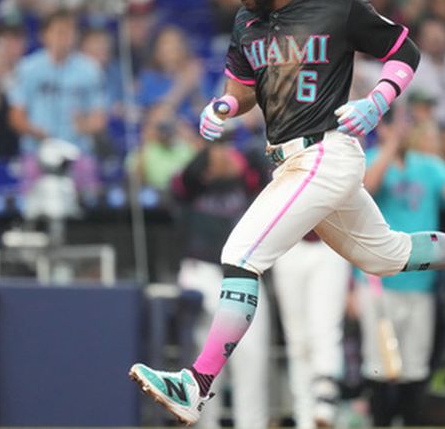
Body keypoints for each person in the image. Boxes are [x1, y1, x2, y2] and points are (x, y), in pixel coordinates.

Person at [129, 0, 445, 426]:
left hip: (326, 152)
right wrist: (222, 106)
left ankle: (195, 384)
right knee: (387, 256)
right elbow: (241, 89)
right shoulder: (246, 24)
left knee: (240, 253)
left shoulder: (335, 7)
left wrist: (379, 98)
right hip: (291, 159)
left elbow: (404, 51)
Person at [358, 114, 445, 426]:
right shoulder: (370, 158)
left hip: (420, 281)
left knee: (416, 367)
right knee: (378, 366)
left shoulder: (427, 164)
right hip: (378, 282)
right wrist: (391, 145)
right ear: (384, 129)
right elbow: (368, 184)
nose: (404, 132)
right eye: (396, 126)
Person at [172, 140, 271, 428]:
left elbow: (262, 172)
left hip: (245, 273)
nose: (222, 157)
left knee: (252, 360)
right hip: (201, 273)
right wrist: (209, 152)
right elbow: (187, 178)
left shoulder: (248, 179)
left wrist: (234, 157)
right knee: (204, 364)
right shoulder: (194, 183)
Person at [8, 10, 106, 192]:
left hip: (78, 151)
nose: (64, 38)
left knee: (91, 196)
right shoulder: (28, 68)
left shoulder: (90, 70)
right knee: (31, 198)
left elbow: (99, 118)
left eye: (69, 32)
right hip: (37, 150)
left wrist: (85, 125)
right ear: (44, 35)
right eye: (59, 32)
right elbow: (16, 116)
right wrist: (35, 131)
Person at [273, 230, 350, 427]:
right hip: (289, 244)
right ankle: (304, 417)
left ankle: (325, 398)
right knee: (297, 340)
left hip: (331, 243)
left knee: (325, 330)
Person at [136, 25, 207, 123]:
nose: (172, 48)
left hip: (194, 128)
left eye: (176, 43)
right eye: (166, 43)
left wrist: (195, 86)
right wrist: (182, 86)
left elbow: (204, 111)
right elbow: (156, 115)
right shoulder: (149, 77)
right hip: (162, 132)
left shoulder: (195, 73)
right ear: (156, 51)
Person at [405, 18, 445, 127]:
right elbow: (406, 105)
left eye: (440, 35)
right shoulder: (413, 67)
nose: (436, 40)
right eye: (431, 36)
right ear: (421, 40)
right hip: (424, 127)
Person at [127, 105, 197, 192]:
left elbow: (200, 172)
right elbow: (136, 181)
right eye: (160, 124)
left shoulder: (185, 148)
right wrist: (145, 140)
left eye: (167, 122)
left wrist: (186, 133)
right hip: (153, 197)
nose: (164, 130)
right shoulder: (144, 150)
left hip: (182, 196)